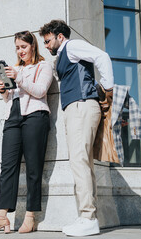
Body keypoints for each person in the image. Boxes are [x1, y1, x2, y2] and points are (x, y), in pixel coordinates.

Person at [39, 20, 114, 237]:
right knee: (82, 162)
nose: (46, 45)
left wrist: (107, 89)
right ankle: (87, 217)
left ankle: (88, 217)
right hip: (77, 108)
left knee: (80, 161)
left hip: (81, 105)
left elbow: (102, 56)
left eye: (47, 40)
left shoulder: (71, 47)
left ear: (59, 37)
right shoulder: (62, 56)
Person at [0, 31, 53, 234]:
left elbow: (40, 91)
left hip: (36, 117)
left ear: (33, 46)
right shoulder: (15, 68)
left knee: (33, 167)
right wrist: (4, 90)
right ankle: (1, 217)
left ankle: (30, 216)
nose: (20, 51)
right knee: (7, 167)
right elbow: (10, 99)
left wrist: (18, 77)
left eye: (23, 46)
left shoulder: (43, 65)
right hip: (13, 116)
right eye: (17, 47)